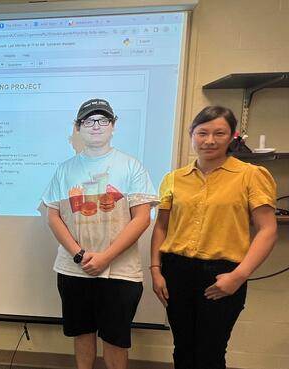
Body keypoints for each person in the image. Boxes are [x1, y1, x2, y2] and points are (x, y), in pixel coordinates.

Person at [150, 106, 277, 369]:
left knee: (211, 350)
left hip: (223, 273)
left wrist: (238, 277)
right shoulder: (174, 179)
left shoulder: (251, 176)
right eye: (202, 133)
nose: (209, 140)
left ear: (233, 136)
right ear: (191, 135)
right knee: (182, 347)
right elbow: (161, 227)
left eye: (219, 133)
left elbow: (267, 230)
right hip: (177, 270)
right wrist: (155, 270)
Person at [42, 98, 158, 369]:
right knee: (81, 333)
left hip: (120, 271)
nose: (96, 126)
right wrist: (79, 255)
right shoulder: (65, 169)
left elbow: (141, 219)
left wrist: (106, 257)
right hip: (74, 269)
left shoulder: (132, 166)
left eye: (103, 120)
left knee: (116, 339)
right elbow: (53, 216)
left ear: (113, 126)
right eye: (89, 121)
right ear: (78, 127)